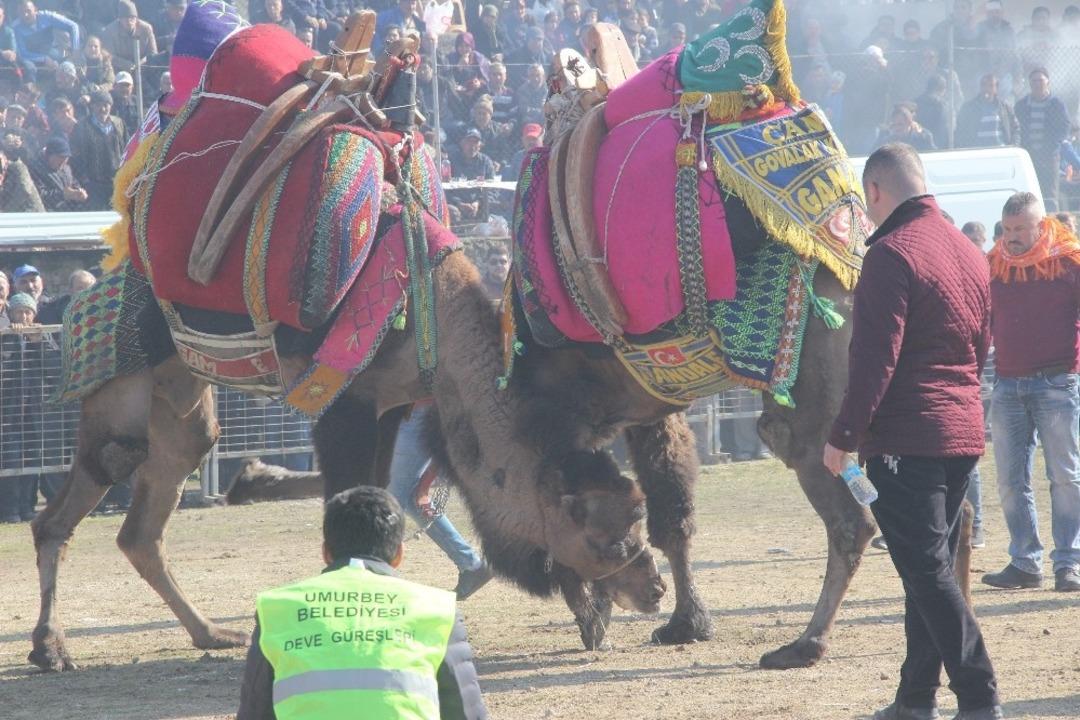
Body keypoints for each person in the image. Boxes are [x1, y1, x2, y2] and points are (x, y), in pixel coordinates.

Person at [823, 143, 1001, 720]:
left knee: (926, 570)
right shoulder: (969, 252)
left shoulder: (890, 254)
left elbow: (875, 357)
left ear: (874, 191)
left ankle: (979, 696)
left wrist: (845, 433)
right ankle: (915, 697)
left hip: (908, 436)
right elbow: (981, 347)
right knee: (930, 569)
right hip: (962, 431)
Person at [236, 485, 488, 720]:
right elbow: (467, 713)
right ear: (399, 554)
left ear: (326, 552)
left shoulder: (278, 608)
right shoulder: (437, 608)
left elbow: (254, 712)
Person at [981, 192, 1080, 594]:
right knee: (1009, 479)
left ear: (1041, 226)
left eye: (1021, 229)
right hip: (1007, 382)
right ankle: (1025, 561)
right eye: (1008, 229)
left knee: (1065, 476)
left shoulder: (1068, 261)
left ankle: (1069, 562)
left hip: (1058, 381)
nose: (1013, 237)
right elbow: (982, 319)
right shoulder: (994, 265)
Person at [387, 404, 494, 602]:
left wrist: (425, 486)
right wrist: (423, 488)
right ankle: (471, 565)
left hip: (413, 414)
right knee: (410, 499)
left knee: (391, 501)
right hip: (406, 415)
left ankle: (375, 576)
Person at [1014, 67, 1070, 212]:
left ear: (1048, 82)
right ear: (1030, 84)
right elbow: (1015, 127)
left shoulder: (1056, 104)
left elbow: (1064, 126)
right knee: (1029, 191)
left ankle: (1053, 223)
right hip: (1029, 155)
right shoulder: (1021, 105)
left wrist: (1053, 145)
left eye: (1041, 80)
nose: (1037, 84)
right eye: (1034, 81)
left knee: (1050, 193)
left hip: (1050, 155)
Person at [70, 89, 126, 210]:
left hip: (116, 181)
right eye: (98, 105)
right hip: (93, 182)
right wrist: (83, 178)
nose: (103, 109)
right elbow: (75, 154)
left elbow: (126, 149)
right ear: (92, 107)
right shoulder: (81, 126)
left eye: (106, 105)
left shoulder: (119, 124)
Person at [954, 74, 1018, 149]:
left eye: (991, 86)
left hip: (1001, 153)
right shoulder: (968, 108)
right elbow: (960, 131)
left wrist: (1013, 146)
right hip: (977, 153)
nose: (986, 89)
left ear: (996, 88)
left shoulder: (1005, 108)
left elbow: (1015, 129)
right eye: (983, 85)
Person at [28, 135, 88, 211]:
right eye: (60, 157)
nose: (63, 161)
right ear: (50, 155)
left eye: (66, 158)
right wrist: (63, 194)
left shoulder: (66, 168)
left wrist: (78, 193)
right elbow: (39, 196)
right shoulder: (35, 169)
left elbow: (73, 183)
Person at [101, 0, 158, 75]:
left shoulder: (146, 29)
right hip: (118, 70)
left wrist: (140, 63)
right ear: (119, 19)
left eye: (132, 17)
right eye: (125, 18)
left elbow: (153, 53)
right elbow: (108, 55)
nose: (129, 21)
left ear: (136, 18)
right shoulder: (109, 31)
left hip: (144, 69)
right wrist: (125, 64)